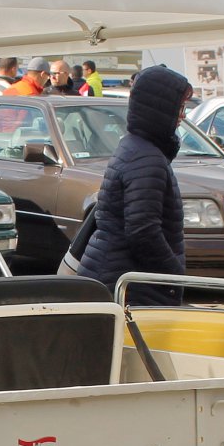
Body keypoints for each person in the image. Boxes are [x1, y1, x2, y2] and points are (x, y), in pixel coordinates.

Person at [74, 65, 192, 306]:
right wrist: (173, 275)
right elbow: (143, 231)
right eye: (180, 108)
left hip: (117, 275)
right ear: (162, 109)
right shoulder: (147, 158)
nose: (183, 116)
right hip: (130, 285)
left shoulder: (137, 147)